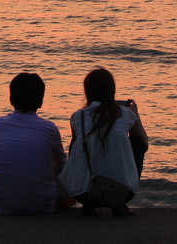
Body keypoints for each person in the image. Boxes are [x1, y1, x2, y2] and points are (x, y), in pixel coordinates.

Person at [57, 67, 149, 217]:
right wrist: (136, 115)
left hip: (82, 193)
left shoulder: (78, 117)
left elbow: (75, 151)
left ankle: (88, 205)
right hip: (121, 193)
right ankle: (119, 205)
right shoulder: (125, 114)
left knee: (77, 143)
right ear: (112, 91)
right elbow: (144, 143)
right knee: (137, 142)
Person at [0, 72, 69, 215]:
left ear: (11, 99)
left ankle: (3, 198)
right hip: (41, 207)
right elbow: (62, 164)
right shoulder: (49, 128)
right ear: (40, 101)